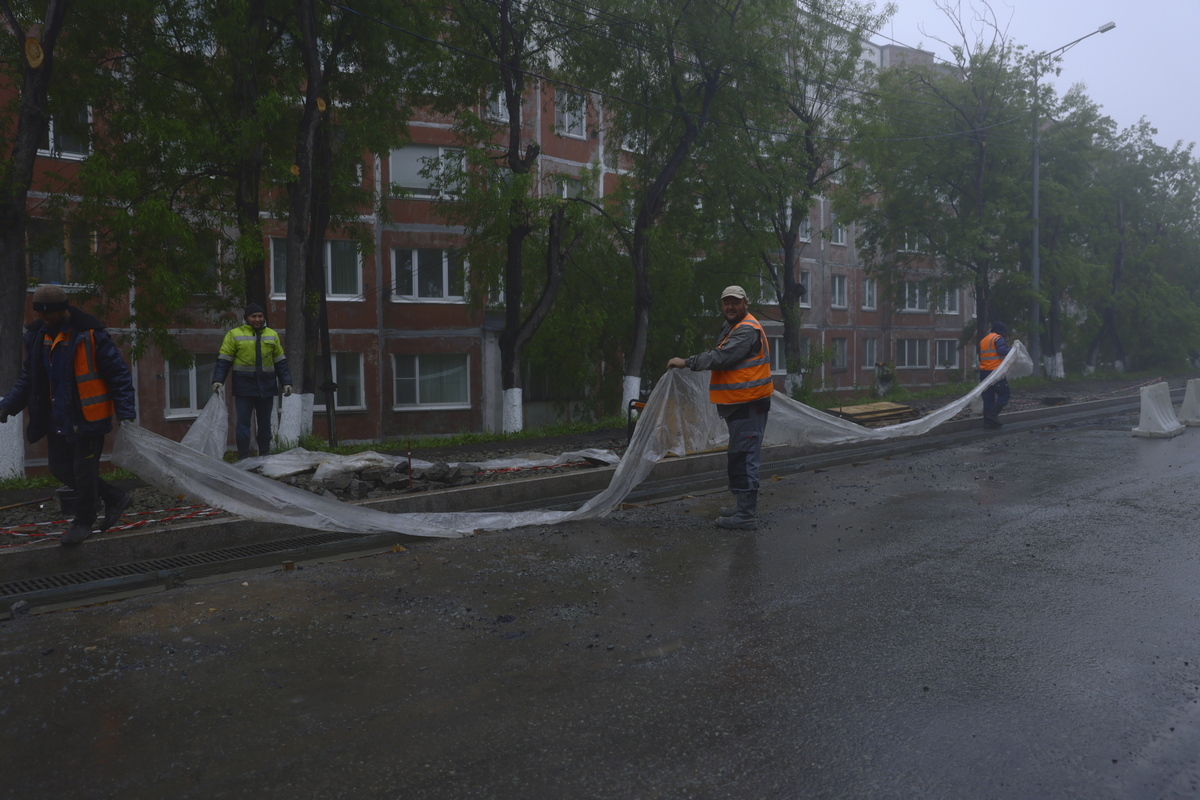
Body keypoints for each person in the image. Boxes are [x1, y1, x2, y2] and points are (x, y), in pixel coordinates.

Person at [0, 285, 137, 545]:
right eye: (39, 314)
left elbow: (118, 374)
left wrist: (125, 412)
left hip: (87, 418)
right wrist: (7, 405)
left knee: (83, 473)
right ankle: (115, 497)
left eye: (48, 314)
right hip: (56, 419)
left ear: (63, 310)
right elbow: (30, 377)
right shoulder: (36, 336)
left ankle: (83, 522)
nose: (43, 318)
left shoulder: (90, 334)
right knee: (60, 469)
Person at [668, 285, 774, 531]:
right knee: (738, 456)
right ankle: (741, 506)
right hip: (740, 405)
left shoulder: (746, 329)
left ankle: (746, 515)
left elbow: (720, 357)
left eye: (735, 302)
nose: (730, 306)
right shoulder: (733, 327)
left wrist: (686, 362)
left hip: (749, 405)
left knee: (745, 459)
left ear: (745, 303)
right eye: (726, 302)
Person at [211, 303, 292, 460]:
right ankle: (243, 457)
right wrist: (218, 380)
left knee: (265, 423)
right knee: (243, 423)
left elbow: (280, 362)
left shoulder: (272, 335)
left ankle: (264, 455)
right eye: (253, 316)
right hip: (244, 387)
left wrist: (286, 382)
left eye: (260, 316)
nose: (257, 319)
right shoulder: (234, 334)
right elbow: (224, 360)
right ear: (246, 318)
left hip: (266, 386)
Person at [979, 321, 1012, 429]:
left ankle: (987, 422)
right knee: (1005, 394)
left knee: (988, 398)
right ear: (1000, 331)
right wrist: (1012, 350)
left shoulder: (984, 340)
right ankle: (993, 416)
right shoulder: (998, 338)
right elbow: (1002, 351)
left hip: (984, 373)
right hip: (996, 373)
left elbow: (981, 357)